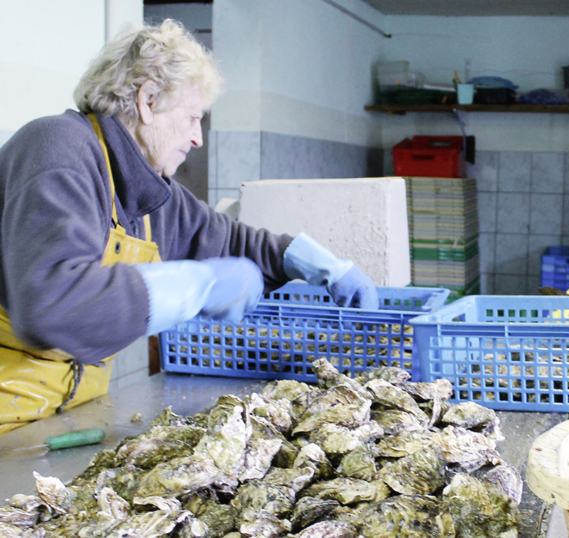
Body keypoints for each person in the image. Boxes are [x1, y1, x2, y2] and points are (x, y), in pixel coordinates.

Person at [0, 19, 378, 433]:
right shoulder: (56, 149)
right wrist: (197, 285)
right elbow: (50, 305)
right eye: (193, 117)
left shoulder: (144, 189)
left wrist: (312, 262)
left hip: (61, 418)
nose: (198, 138)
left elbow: (229, 240)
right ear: (147, 100)